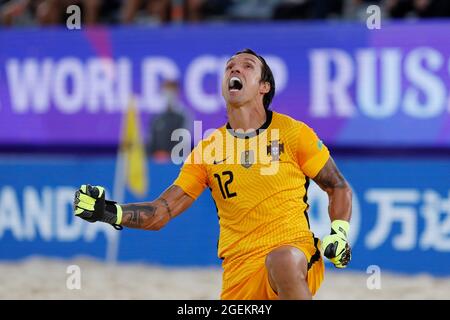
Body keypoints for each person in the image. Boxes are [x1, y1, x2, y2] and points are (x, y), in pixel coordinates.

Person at [73, 48, 352, 300]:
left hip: (293, 254)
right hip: (239, 276)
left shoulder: (294, 133)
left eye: (247, 66)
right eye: (230, 66)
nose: (235, 69)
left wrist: (339, 234)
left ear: (263, 87)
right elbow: (161, 212)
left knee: (283, 261)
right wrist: (107, 212)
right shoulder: (207, 150)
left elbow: (337, 187)